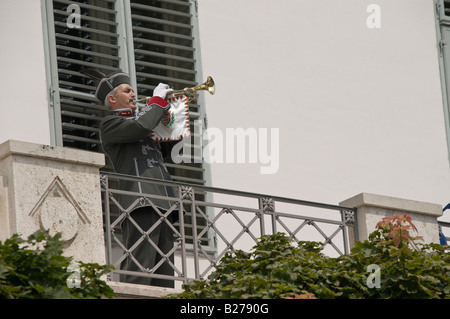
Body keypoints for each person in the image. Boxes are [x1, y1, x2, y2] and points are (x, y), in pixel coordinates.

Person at [96, 71, 179, 287]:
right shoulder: (111, 124)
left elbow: (176, 151)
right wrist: (157, 103)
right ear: (112, 99)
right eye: (127, 90)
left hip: (166, 202)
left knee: (165, 276)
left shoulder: (146, 123)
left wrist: (172, 116)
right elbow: (139, 127)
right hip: (140, 200)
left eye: (133, 90)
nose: (133, 94)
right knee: (139, 270)